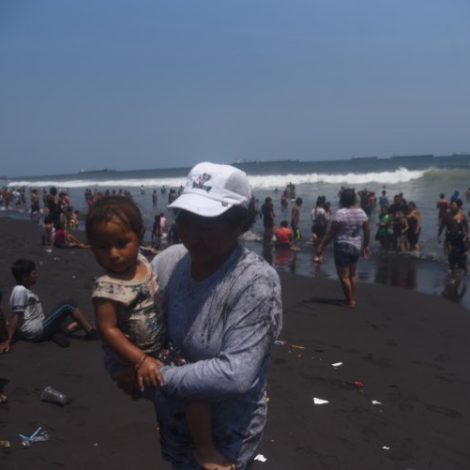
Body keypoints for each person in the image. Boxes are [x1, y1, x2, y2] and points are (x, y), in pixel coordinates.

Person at [145, 162, 283, 469]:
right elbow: (144, 328)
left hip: (227, 438)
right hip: (175, 424)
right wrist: (125, 362)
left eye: (207, 225)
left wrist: (153, 377)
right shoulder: (168, 263)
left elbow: (235, 374)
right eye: (186, 220)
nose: (193, 236)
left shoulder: (254, 281)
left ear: (239, 225)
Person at [86, 195, 236, 470]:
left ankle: (183, 440)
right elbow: (107, 330)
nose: (114, 254)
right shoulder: (106, 287)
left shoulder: (144, 264)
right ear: (91, 248)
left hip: (156, 350)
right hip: (133, 357)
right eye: (102, 247)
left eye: (121, 243)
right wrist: (138, 361)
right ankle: (205, 450)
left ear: (139, 236)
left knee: (178, 398)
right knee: (195, 388)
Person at [0, 259, 97, 352]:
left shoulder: (24, 289)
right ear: (25, 277)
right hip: (36, 331)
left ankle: (57, 333)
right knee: (68, 304)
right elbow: (15, 316)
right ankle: (91, 333)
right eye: (34, 273)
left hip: (40, 325)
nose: (36, 275)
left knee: (75, 319)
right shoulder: (20, 290)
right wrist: (7, 340)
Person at [316, 188, 370, 308]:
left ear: (342, 199)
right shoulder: (361, 212)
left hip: (342, 246)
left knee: (344, 276)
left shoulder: (340, 213)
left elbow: (331, 233)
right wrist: (366, 246)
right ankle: (352, 298)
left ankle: (349, 301)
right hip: (356, 246)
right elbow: (367, 231)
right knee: (352, 275)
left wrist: (321, 246)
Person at [438, 199, 469, 274]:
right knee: (450, 252)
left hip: (459, 238)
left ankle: (461, 267)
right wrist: (439, 236)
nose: (452, 206)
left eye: (454, 205)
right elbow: (442, 226)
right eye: (452, 204)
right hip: (449, 237)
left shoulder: (462, 216)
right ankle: (451, 268)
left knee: (460, 254)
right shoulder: (447, 215)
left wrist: (468, 235)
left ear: (459, 206)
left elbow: (467, 227)